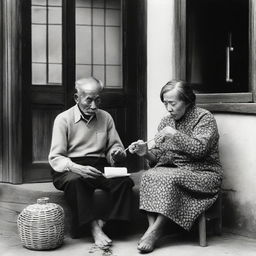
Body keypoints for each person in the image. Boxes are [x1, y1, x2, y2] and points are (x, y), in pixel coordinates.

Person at [129, 80, 223, 253]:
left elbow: (199, 150)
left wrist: (174, 133)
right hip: (173, 169)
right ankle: (153, 229)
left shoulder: (205, 118)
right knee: (150, 175)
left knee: (169, 178)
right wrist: (145, 152)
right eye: (165, 104)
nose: (168, 109)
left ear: (187, 101)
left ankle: (156, 231)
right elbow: (158, 156)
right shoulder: (166, 121)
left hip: (203, 173)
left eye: (173, 103)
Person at [49, 77, 134, 248]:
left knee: (124, 182)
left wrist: (115, 154)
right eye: (89, 100)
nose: (94, 106)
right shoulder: (63, 119)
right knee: (75, 182)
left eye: (97, 100)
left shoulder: (106, 117)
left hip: (98, 164)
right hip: (69, 167)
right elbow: (56, 157)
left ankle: (105, 223)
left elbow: (114, 147)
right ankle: (94, 228)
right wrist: (76, 168)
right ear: (77, 98)